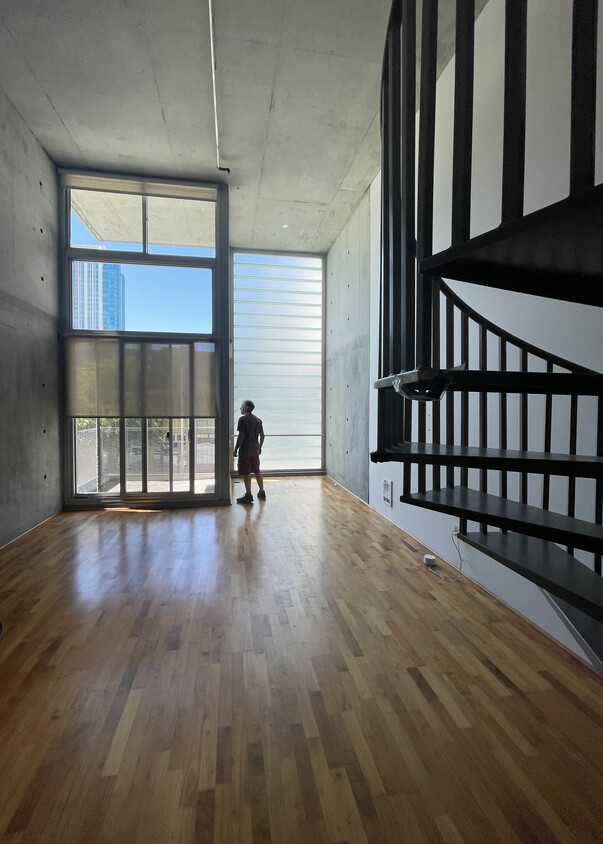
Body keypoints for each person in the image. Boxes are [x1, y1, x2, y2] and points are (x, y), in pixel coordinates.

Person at [233, 400, 265, 504]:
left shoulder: (242, 419)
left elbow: (241, 436)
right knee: (257, 470)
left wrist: (235, 449)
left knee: (246, 472)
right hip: (255, 450)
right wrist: (260, 447)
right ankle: (261, 491)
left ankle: (248, 494)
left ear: (246, 408)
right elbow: (263, 436)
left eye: (241, 406)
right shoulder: (258, 420)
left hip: (245, 450)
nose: (240, 408)